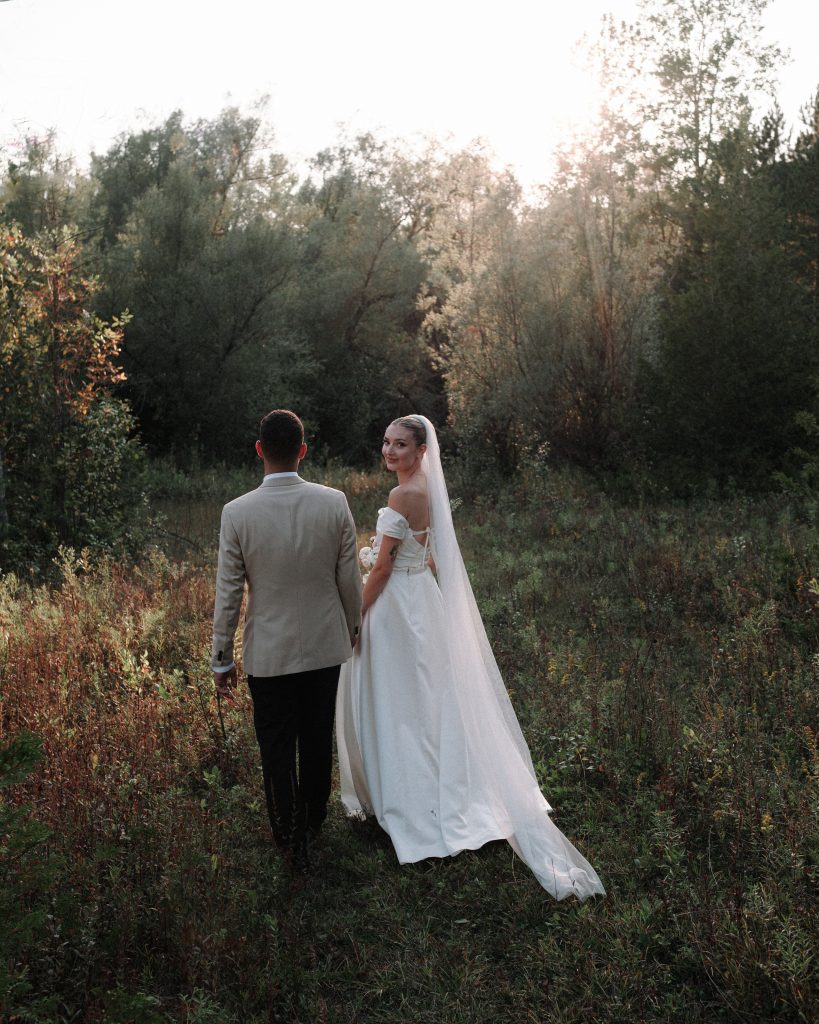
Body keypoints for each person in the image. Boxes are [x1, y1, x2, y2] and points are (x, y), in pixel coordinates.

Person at [336, 415, 605, 900]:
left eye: (401, 445)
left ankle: (411, 798)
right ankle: (438, 785)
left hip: (397, 607)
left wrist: (354, 618)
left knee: (399, 702)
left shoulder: (402, 496)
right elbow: (427, 553)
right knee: (429, 701)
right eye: (386, 443)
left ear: (421, 451)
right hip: (423, 601)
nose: (390, 451)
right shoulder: (427, 490)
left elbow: (381, 569)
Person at [212, 409, 362, 871]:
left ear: (259, 450)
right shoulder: (334, 502)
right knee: (317, 738)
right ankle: (313, 819)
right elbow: (349, 580)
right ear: (303, 450)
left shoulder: (237, 513)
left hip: (268, 654)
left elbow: (229, 591)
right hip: (323, 646)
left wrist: (222, 657)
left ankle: (286, 832)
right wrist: (352, 628)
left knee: (275, 743)